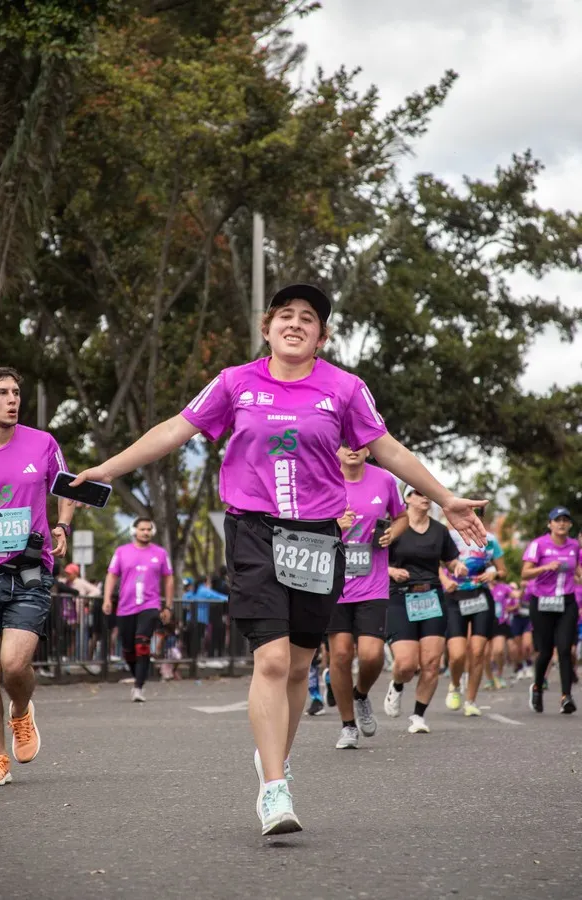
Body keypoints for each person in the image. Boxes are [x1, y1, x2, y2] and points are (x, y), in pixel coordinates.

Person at [70, 283, 487, 836]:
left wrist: (446, 496)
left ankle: (277, 759)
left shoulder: (344, 388)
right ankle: (274, 788)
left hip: (317, 538)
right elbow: (174, 430)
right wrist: (106, 469)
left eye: (308, 318)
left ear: (322, 336)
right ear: (266, 329)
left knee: (296, 665)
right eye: (284, 315)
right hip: (254, 532)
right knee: (268, 662)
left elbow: (389, 449)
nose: (295, 323)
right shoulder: (236, 383)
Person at [0, 366, 73, 786]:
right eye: (2, 392)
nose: (12, 399)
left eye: (16, 392)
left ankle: (21, 710)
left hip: (31, 569)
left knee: (14, 665)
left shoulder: (42, 443)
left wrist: (63, 526)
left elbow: (67, 488)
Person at [328, 445, 407, 749]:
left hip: (372, 583)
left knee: (372, 655)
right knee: (341, 655)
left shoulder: (384, 479)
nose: (353, 449)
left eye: (359, 444)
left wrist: (392, 534)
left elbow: (401, 517)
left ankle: (360, 694)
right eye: (346, 444)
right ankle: (348, 725)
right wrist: (335, 525)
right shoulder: (324, 478)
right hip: (333, 583)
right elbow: (304, 522)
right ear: (335, 448)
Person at [384, 488, 467, 733]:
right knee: (406, 663)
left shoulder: (439, 530)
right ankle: (397, 685)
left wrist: (457, 566)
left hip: (431, 596)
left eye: (426, 494)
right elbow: (376, 559)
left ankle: (418, 716)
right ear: (407, 498)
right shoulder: (395, 527)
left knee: (431, 662)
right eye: (418, 493)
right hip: (400, 596)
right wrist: (391, 571)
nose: (425, 497)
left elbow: (449, 559)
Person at [444, 508, 507, 717]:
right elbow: (434, 561)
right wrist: (445, 580)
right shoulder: (450, 537)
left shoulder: (490, 540)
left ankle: (470, 700)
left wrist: (494, 575)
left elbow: (503, 571)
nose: (473, 518)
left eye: (477, 514)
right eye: (468, 513)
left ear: (482, 518)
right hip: (455, 598)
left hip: (480, 598)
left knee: (478, 651)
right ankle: (454, 685)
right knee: (457, 654)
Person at [103, 518, 174, 702]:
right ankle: (138, 676)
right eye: (142, 529)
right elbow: (111, 575)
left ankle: (138, 687)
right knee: (128, 649)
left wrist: (168, 605)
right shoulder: (121, 552)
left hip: (150, 605)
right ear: (134, 530)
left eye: (149, 529)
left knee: (142, 644)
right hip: (125, 607)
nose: (146, 532)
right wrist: (107, 598)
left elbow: (169, 578)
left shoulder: (160, 553)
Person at [523, 507, 582, 714]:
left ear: (570, 525)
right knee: (546, 651)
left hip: (566, 602)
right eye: (557, 520)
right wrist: (543, 568)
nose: (562, 524)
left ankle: (566, 697)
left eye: (566, 520)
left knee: (565, 649)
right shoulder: (538, 545)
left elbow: (578, 569)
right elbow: (525, 574)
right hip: (542, 602)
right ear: (550, 524)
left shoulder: (574, 546)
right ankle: (537, 687)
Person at [484, 581, 516, 690]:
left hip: (499, 622)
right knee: (485, 653)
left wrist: (526, 587)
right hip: (484, 622)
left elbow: (516, 595)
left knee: (499, 650)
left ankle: (499, 675)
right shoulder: (480, 585)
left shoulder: (503, 587)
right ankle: (489, 679)